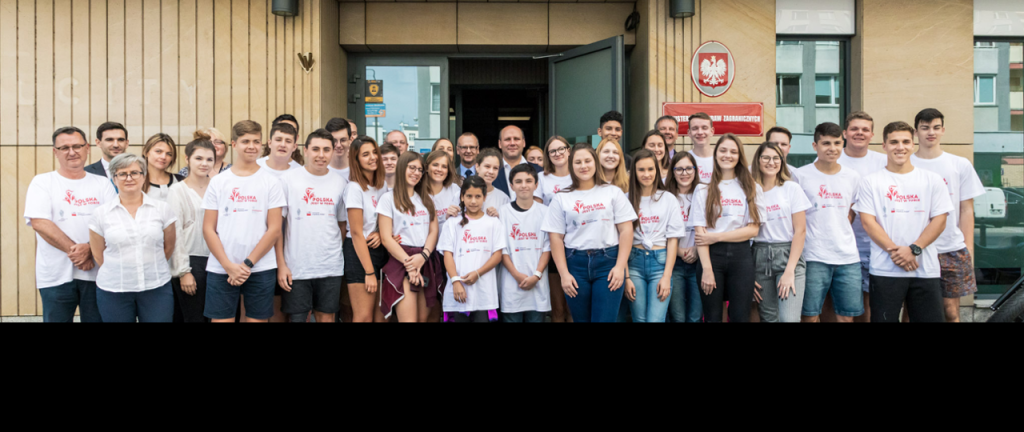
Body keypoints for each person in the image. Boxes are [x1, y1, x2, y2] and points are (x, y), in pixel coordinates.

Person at [854, 121, 952, 323]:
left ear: (913, 144)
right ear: (884, 145)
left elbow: (940, 220)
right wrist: (897, 253)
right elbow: (868, 222)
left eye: (906, 142)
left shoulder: (932, 180)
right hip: (885, 269)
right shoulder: (870, 182)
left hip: (925, 269)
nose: (900, 147)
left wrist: (914, 249)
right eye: (894, 142)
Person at [25, 126, 117, 322]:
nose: (72, 152)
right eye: (64, 148)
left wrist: (90, 249)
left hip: (98, 274)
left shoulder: (102, 184)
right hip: (55, 275)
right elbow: (40, 223)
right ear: (55, 152)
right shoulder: (43, 182)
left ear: (87, 148)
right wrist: (80, 254)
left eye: (77, 146)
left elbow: (113, 223)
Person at [201, 120, 286, 323]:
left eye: (256, 141)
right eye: (245, 141)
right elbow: (208, 229)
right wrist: (228, 265)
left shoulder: (271, 182)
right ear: (234, 144)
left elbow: (274, 229)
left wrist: (248, 264)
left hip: (260, 267)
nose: (251, 146)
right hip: (222, 267)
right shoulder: (218, 182)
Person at [542, 145, 637, 322]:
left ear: (596, 163)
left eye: (588, 161)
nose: (583, 166)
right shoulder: (561, 197)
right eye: (578, 162)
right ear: (571, 166)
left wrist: (620, 267)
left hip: (608, 263)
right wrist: (564, 274)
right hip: (575, 264)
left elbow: (626, 230)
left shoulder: (612, 192)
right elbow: (555, 238)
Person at [909, 108, 985, 323]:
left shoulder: (959, 164)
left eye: (936, 127)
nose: (930, 132)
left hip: (951, 249)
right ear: (916, 132)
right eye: (925, 128)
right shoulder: (907, 164)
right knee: (911, 312)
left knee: (951, 312)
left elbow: (966, 209)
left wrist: (968, 248)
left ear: (943, 130)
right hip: (916, 248)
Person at [88, 153, 177, 322]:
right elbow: (98, 253)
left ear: (144, 176)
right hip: (114, 289)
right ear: (114, 179)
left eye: (135, 173)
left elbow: (169, 246)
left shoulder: (162, 209)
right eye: (122, 174)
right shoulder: (100, 214)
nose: (129, 178)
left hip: (156, 286)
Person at [690, 134, 766, 323]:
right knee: (712, 317)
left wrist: (715, 237)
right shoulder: (703, 189)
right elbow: (700, 234)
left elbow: (753, 230)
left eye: (733, 151)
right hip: (711, 258)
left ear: (739, 156)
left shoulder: (752, 187)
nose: (728, 155)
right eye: (723, 150)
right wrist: (707, 269)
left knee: (740, 316)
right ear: (716, 154)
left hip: (741, 258)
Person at [276, 130, 347, 323]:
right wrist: (282, 265)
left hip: (330, 266)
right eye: (315, 149)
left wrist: (332, 250)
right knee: (298, 317)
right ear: (305, 150)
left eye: (326, 150)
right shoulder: (288, 180)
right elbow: (278, 227)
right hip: (296, 266)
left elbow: (342, 224)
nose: (321, 155)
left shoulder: (340, 183)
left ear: (332, 151)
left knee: (326, 317)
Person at [796, 122, 863, 323]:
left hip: (847, 257)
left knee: (846, 317)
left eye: (837, 143)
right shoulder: (800, 175)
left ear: (843, 144)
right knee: (809, 316)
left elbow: (851, 212)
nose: (832, 148)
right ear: (815, 145)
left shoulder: (852, 176)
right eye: (826, 143)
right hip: (812, 256)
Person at [377, 152, 444, 322]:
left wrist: (423, 256)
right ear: (402, 168)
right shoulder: (388, 199)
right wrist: (410, 265)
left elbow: (433, 231)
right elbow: (386, 238)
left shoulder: (426, 199)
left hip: (424, 259)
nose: (416, 173)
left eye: (420, 170)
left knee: (423, 318)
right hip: (402, 260)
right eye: (412, 168)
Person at [750, 142, 810, 323]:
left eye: (776, 158)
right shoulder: (750, 190)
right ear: (758, 160)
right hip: (759, 256)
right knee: (769, 318)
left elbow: (800, 230)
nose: (771, 162)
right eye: (766, 158)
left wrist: (790, 271)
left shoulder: (792, 188)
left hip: (787, 255)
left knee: (788, 318)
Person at [624, 149, 685, 323]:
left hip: (660, 263)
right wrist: (626, 277)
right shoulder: (625, 199)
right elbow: (621, 241)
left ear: (657, 171)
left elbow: (673, 240)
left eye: (650, 169)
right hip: (633, 263)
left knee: (655, 319)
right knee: (639, 319)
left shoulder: (668, 199)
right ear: (634, 172)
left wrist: (667, 276)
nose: (646, 174)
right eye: (641, 170)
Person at [837, 111, 887, 321]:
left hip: (876, 244)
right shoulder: (832, 158)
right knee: (840, 304)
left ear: (872, 135)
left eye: (865, 129)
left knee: (869, 303)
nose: (860, 133)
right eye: (854, 129)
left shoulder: (883, 161)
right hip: (842, 245)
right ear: (845, 133)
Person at [437, 176, 506, 322]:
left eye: (478, 196)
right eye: (469, 196)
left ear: (484, 197)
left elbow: (497, 255)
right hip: (458, 292)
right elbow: (447, 254)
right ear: (462, 197)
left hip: (484, 294)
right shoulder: (452, 223)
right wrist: (456, 281)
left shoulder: (493, 223)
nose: (473, 201)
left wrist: (478, 273)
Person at [168, 132, 218, 323]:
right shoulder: (177, 191)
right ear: (187, 159)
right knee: (194, 317)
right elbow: (175, 234)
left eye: (209, 159)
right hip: (191, 261)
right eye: (198, 158)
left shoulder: (218, 188)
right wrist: (184, 272)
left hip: (218, 261)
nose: (204, 163)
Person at [343, 137, 389, 323]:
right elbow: (356, 233)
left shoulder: (382, 185)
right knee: (363, 317)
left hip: (379, 250)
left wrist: (379, 232)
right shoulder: (354, 188)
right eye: (365, 154)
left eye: (374, 152)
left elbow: (382, 220)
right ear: (356, 160)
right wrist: (369, 272)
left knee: (381, 316)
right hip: (359, 253)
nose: (372, 157)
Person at [499, 164, 552, 323]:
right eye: (518, 181)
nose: (524, 185)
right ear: (511, 186)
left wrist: (536, 275)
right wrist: (516, 274)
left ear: (536, 185)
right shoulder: (503, 212)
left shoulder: (545, 212)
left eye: (528, 181)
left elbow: (547, 247)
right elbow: (502, 249)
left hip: (538, 285)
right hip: (511, 285)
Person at [535, 136, 574, 322]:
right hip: (551, 242)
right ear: (548, 155)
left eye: (561, 149)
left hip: (575, 243)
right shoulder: (541, 178)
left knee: (574, 307)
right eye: (553, 151)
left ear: (569, 150)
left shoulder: (578, 175)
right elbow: (537, 211)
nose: (557, 153)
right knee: (557, 307)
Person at [424, 150, 462, 322]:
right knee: (430, 303)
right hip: (425, 253)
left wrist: (451, 218)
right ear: (427, 167)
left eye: (444, 166)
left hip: (449, 253)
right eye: (435, 165)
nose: (439, 169)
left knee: (448, 302)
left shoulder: (455, 190)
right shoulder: (419, 190)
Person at [664, 151, 702, 322]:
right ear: (672, 172)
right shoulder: (665, 197)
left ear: (695, 170)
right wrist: (679, 251)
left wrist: (697, 249)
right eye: (679, 169)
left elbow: (712, 227)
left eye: (688, 168)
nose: (684, 173)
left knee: (695, 316)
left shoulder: (704, 194)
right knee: (677, 316)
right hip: (674, 263)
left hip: (699, 262)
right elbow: (659, 230)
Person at [492, 125, 543, 197]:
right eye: (507, 139)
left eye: (516, 139)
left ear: (524, 142)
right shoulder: (490, 172)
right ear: (500, 144)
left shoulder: (539, 171)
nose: (512, 143)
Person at [142, 133, 184, 202]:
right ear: (146, 152)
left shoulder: (180, 181)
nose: (163, 157)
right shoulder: (136, 181)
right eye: (158, 151)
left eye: (169, 154)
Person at [474, 148, 512, 217]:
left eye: (495, 168)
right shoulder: (462, 193)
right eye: (487, 166)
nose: (491, 171)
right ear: (477, 167)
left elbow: (508, 221)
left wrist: (499, 216)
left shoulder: (504, 198)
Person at [687, 112, 715, 184]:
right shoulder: (685, 159)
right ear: (689, 133)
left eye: (704, 128)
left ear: (712, 131)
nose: (700, 132)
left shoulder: (720, 158)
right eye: (695, 128)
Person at [325, 117, 353, 181]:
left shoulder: (359, 170)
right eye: (334, 141)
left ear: (350, 140)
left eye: (343, 140)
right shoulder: (320, 170)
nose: (338, 145)